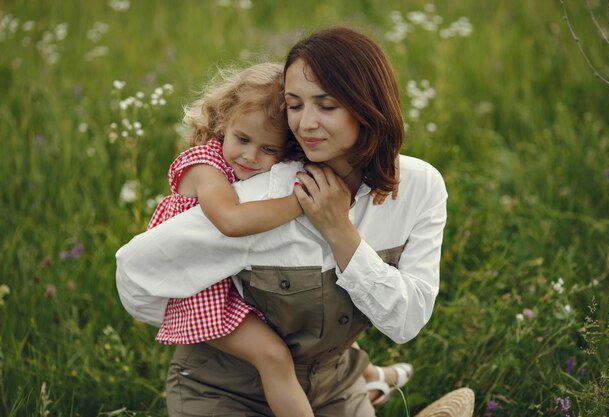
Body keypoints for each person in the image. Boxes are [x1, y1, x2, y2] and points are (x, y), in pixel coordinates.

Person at [116, 26, 448, 416]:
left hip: (333, 387)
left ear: (369, 106)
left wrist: (338, 229)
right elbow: (135, 274)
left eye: (326, 105)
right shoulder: (263, 198)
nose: (305, 124)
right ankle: (373, 383)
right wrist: (212, 327)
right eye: (294, 105)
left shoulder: (420, 187)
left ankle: (368, 383)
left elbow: (405, 322)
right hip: (226, 391)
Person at [147, 62, 313, 417]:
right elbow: (230, 221)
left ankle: (369, 377)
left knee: (303, 324)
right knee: (273, 356)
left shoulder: (259, 166)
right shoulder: (204, 167)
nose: (251, 156)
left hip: (229, 279)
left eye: (270, 149)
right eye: (243, 139)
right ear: (224, 123)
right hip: (200, 293)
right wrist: (301, 203)